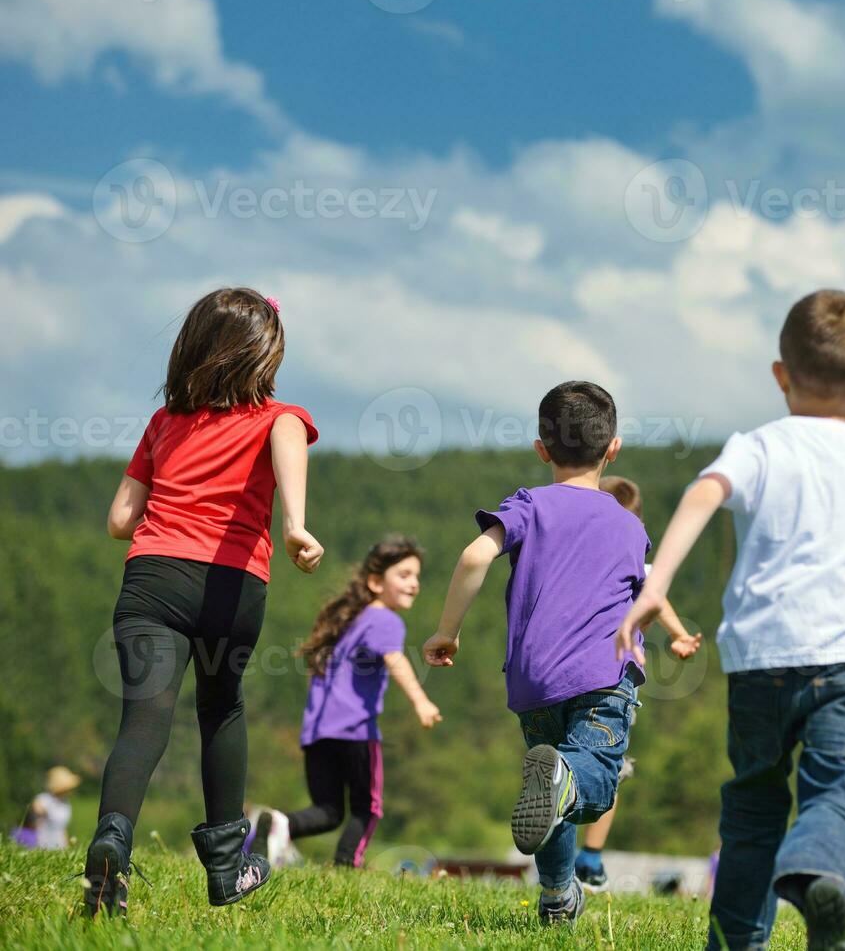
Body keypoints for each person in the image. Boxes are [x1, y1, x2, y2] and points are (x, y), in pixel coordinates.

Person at [616, 290, 845, 951]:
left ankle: (735, 939)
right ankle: (816, 872)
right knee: (836, 789)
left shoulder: (757, 446)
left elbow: (704, 492)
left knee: (754, 802)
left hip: (761, 658)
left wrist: (658, 580)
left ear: (780, 374)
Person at [84, 287, 322, 917]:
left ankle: (111, 844)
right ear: (262, 354)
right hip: (232, 583)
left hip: (152, 578)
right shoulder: (282, 417)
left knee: (144, 719)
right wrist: (295, 527)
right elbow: (290, 469)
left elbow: (118, 520)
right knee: (221, 708)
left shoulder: (163, 423)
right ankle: (225, 869)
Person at [423, 381, 652, 925]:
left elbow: (474, 556)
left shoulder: (528, 504)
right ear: (613, 448)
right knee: (588, 781)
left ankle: (556, 896)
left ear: (541, 448)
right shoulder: (629, 523)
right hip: (601, 675)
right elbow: (643, 594)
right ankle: (570, 777)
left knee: (548, 793)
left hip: (534, 682)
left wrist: (447, 631)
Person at [252, 536, 443, 869]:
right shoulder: (384, 620)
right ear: (374, 582)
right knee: (367, 808)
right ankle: (347, 867)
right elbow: (394, 658)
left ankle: (279, 824)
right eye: (404, 574)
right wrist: (421, 700)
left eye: (416, 576)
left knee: (327, 811)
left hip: (317, 732)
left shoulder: (349, 624)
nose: (414, 583)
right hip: (355, 730)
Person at [574, 475, 701, 890]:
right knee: (609, 765)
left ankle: (583, 851)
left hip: (580, 672)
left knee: (581, 759)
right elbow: (656, 594)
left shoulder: (581, 558)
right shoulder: (626, 558)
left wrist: (679, 633)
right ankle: (588, 855)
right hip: (613, 677)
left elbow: (656, 597)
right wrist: (679, 635)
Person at [32, 766, 82, 850]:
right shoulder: (44, 799)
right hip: (43, 844)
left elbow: (63, 828)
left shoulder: (66, 804)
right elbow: (36, 810)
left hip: (60, 845)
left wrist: (67, 848)